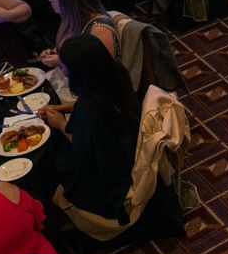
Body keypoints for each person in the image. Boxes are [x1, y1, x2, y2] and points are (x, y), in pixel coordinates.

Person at [42, 35, 151, 233]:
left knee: (52, 162)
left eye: (64, 65)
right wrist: (62, 107)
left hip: (111, 173)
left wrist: (59, 125)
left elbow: (82, 147)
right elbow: (95, 99)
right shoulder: (116, 74)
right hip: (126, 141)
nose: (62, 68)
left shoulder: (89, 109)